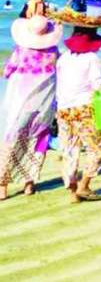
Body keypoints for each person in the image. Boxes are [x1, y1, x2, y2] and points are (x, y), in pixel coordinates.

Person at [0, 16, 62, 200]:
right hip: (45, 104)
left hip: (23, 103)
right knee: (39, 141)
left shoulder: (21, 51)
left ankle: (2, 186)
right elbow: (60, 71)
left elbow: (7, 71)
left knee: (13, 139)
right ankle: (29, 184)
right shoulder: (53, 51)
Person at [56, 25, 101, 202]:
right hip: (84, 108)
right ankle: (84, 186)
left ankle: (72, 191)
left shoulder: (64, 57)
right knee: (98, 147)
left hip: (63, 109)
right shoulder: (91, 58)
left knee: (70, 149)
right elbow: (97, 84)